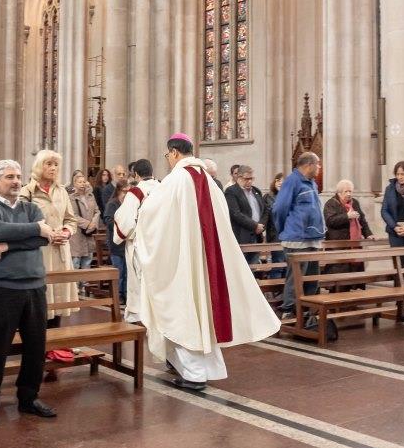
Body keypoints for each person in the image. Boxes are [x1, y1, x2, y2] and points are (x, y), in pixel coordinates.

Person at [134, 134, 280, 389]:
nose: (168, 159)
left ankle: (193, 374)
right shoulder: (210, 182)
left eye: (168, 155)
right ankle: (202, 369)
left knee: (183, 312)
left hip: (182, 260)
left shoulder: (175, 180)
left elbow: (149, 214)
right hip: (207, 260)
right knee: (202, 312)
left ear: (175, 153)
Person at [0, 159, 56, 427]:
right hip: (3, 288)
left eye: (18, 176)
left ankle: (29, 397)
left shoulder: (30, 207)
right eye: (9, 176)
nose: (15, 181)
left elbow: (44, 239)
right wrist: (36, 229)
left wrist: (8, 245)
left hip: (34, 285)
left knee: (36, 347)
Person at [19, 150, 78, 338]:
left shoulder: (61, 191)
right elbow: (21, 222)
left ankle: (54, 346)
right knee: (41, 301)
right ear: (39, 166)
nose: (53, 168)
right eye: (48, 164)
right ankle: (38, 345)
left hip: (60, 250)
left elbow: (71, 219)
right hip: (40, 251)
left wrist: (66, 232)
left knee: (60, 302)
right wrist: (46, 232)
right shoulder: (27, 191)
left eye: (55, 165)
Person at [271, 152, 325, 319]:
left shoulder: (312, 184)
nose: (320, 167)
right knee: (296, 277)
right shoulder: (292, 182)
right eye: (318, 164)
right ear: (309, 165)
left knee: (312, 277)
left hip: (313, 238)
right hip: (296, 240)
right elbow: (279, 209)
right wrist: (286, 230)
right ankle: (290, 310)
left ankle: (308, 309)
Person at [113, 159, 159, 319]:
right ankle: (158, 315)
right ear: (152, 172)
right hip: (161, 243)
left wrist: (121, 236)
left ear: (137, 174)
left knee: (139, 281)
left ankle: (139, 315)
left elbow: (125, 222)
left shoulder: (136, 192)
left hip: (142, 244)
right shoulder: (163, 189)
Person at [323, 179, 375, 276]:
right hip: (338, 244)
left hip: (354, 242)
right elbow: (330, 221)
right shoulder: (331, 203)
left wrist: (368, 234)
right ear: (339, 192)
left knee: (353, 271)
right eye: (346, 191)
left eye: (350, 191)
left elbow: (362, 220)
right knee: (339, 273)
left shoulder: (354, 202)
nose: (348, 194)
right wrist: (347, 216)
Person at [224, 165, 267, 265]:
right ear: (238, 177)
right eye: (246, 179)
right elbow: (236, 213)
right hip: (241, 236)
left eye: (251, 178)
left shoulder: (256, 191)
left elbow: (265, 211)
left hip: (256, 235)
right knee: (242, 266)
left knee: (254, 265)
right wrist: (254, 225)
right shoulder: (231, 191)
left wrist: (261, 226)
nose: (250, 181)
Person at [103, 182, 130, 303]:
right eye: (124, 191)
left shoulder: (129, 204)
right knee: (119, 271)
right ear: (118, 191)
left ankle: (126, 294)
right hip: (115, 242)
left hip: (126, 242)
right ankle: (117, 295)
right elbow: (108, 220)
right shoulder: (112, 203)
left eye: (129, 192)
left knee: (127, 272)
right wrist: (120, 225)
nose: (126, 194)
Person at [68, 172, 101, 269]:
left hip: (89, 234)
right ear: (74, 183)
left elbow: (97, 211)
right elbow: (73, 215)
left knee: (87, 261)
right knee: (76, 263)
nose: (82, 184)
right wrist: (87, 224)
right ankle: (76, 284)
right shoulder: (71, 198)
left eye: (83, 182)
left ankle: (84, 284)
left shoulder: (90, 196)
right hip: (77, 234)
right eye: (79, 182)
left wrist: (94, 223)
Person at [261, 173, 285, 278]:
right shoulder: (268, 197)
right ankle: (276, 292)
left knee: (288, 265)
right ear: (274, 182)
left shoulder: (290, 196)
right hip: (275, 235)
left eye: (283, 181)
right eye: (278, 180)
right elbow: (265, 215)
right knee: (278, 264)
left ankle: (285, 292)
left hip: (288, 235)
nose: (280, 183)